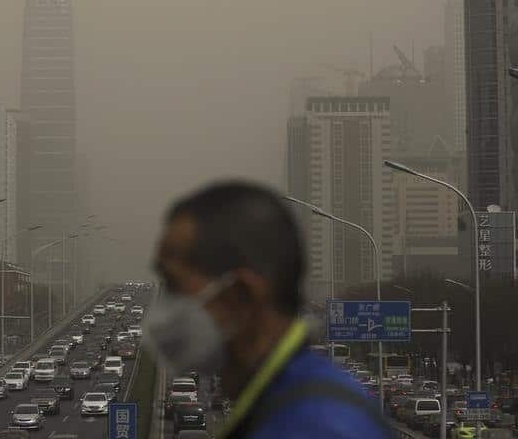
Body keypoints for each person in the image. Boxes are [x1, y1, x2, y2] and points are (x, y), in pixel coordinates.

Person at [146, 181, 390, 439]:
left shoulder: (314, 426)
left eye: (173, 285)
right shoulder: (280, 404)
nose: (163, 310)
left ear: (241, 294)